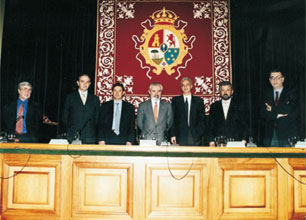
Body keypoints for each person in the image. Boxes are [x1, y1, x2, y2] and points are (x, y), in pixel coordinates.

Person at [260, 70, 298, 147]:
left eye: (278, 78)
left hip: (286, 135)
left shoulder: (291, 93)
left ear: (282, 79)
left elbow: (289, 110)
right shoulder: (264, 94)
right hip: (268, 136)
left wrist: (272, 109)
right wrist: (277, 115)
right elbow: (262, 113)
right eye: (272, 78)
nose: (275, 80)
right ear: (269, 80)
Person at [62, 74, 100, 144]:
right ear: (78, 83)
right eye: (82, 81)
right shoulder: (70, 97)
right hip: (73, 136)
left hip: (90, 137)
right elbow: (65, 116)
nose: (85, 84)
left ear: (90, 84)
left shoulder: (95, 99)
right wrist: (72, 130)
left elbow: (97, 118)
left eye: (87, 82)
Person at [208, 81, 248, 146]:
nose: (225, 92)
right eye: (223, 90)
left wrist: (244, 140)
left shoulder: (240, 106)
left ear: (232, 92)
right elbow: (210, 126)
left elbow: (245, 125)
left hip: (237, 142)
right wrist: (211, 140)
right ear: (219, 92)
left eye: (227, 90)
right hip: (219, 143)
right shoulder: (214, 106)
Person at [170, 77, 206, 146]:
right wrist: (173, 135)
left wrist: (199, 132)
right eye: (183, 85)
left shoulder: (199, 101)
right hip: (179, 136)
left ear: (191, 86)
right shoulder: (175, 101)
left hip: (195, 135)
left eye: (187, 84)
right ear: (181, 87)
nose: (185, 87)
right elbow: (172, 119)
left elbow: (202, 119)